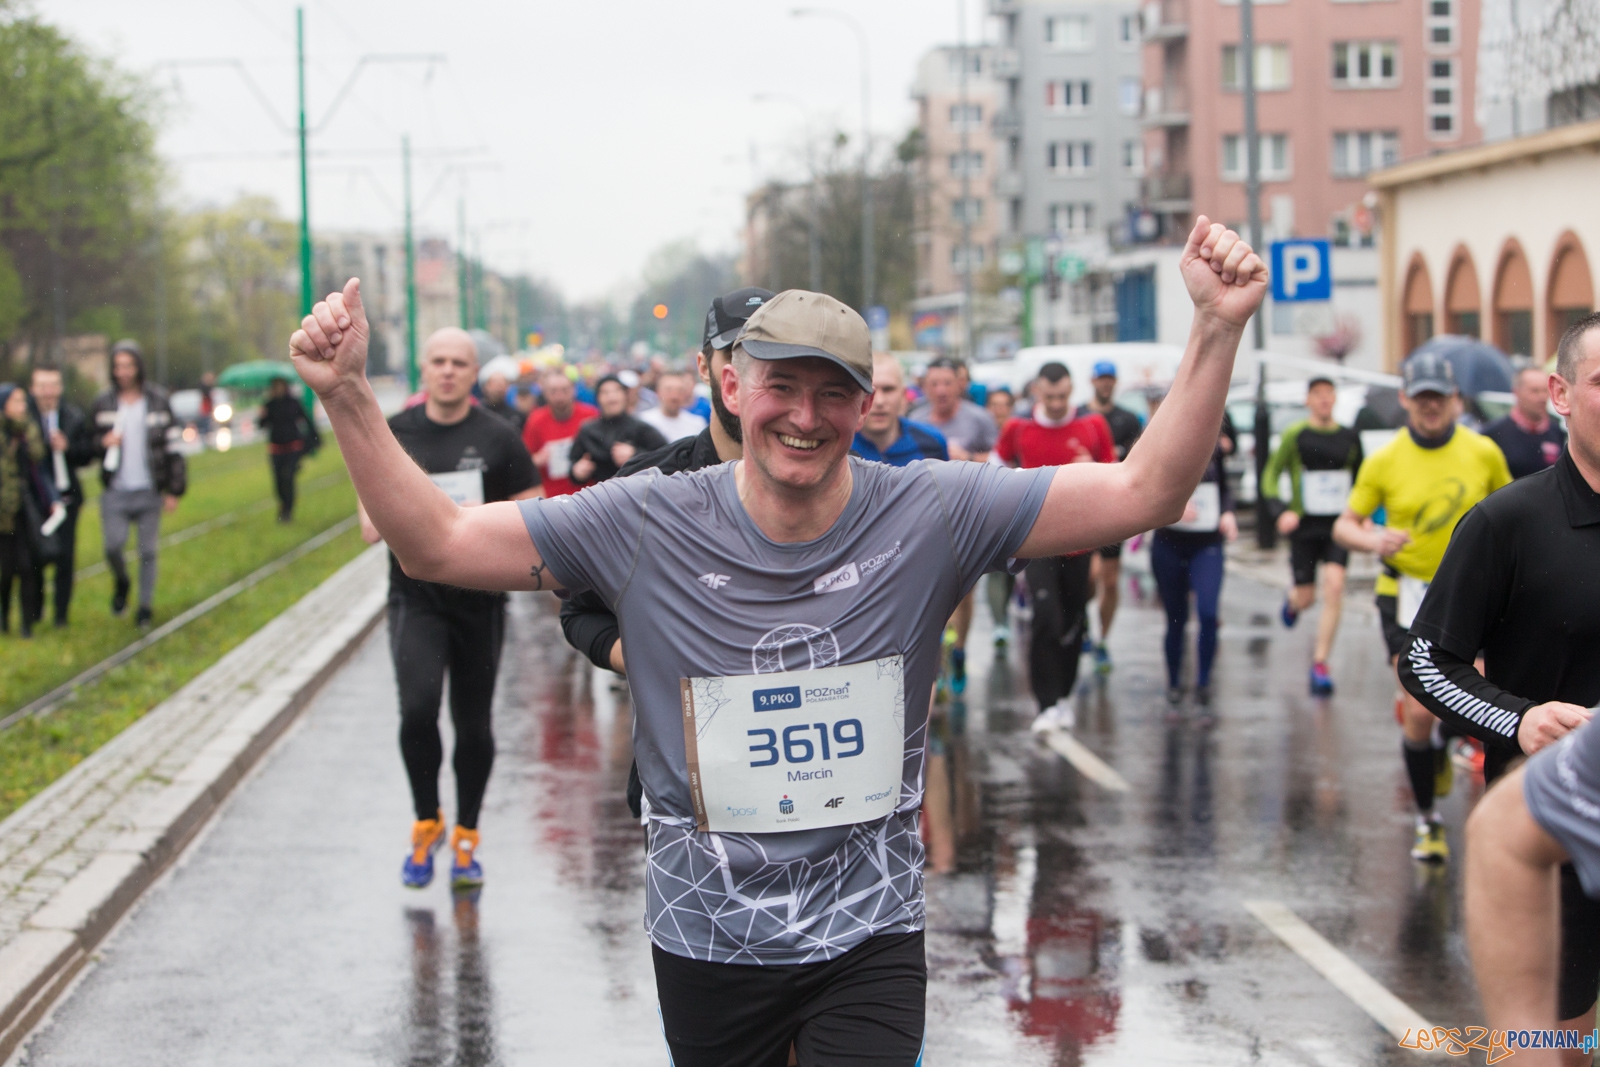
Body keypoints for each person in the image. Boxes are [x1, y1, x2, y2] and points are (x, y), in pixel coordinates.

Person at [288, 216, 1266, 1066]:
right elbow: (441, 542)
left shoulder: (931, 507)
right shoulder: (647, 518)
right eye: (781, 387)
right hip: (707, 929)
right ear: (732, 383)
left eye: (833, 392)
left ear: (865, 400)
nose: (805, 417)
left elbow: (1144, 491)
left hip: (869, 927)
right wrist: (346, 395)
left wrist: (1215, 328)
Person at [1399, 312, 1600, 1052]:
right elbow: (1425, 659)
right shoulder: (1508, 522)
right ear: (1561, 393)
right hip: (1556, 823)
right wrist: (1517, 718)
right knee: (1557, 1041)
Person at [560, 286, 772, 822]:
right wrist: (647, 661)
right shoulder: (647, 487)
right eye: (737, 359)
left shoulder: (840, 480)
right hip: (688, 791)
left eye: (772, 362)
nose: (753, 381)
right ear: (706, 367)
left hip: (818, 788)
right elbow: (580, 611)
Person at [359, 327, 541, 892]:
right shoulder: (395, 434)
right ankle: (425, 823)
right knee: (416, 710)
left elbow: (533, 517)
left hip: (478, 603)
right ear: (424, 367)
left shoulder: (500, 436)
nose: (447, 371)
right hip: (415, 599)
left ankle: (466, 837)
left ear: (473, 371)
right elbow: (369, 526)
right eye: (437, 360)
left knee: (474, 725)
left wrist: (469, 523)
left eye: (458, 362)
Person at [1332, 352, 1512, 863]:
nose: (1431, 408)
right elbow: (1347, 524)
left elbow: (1512, 517)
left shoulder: (1483, 452)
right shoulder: (1384, 459)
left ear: (1455, 400)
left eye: (1441, 398)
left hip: (1472, 597)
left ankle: (1440, 744)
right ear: (1407, 399)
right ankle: (1428, 821)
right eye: (1423, 398)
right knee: (1418, 709)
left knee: (1470, 705)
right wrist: (1374, 540)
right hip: (1406, 594)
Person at [997, 361, 1116, 732]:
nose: (1056, 403)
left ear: (1073, 390)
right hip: (1037, 540)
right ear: (1036, 392)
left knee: (1073, 621)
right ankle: (1045, 704)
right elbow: (994, 470)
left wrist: (1092, 468)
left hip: (1082, 540)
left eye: (1063, 396)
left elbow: (1115, 476)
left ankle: (1063, 697)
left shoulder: (1092, 425)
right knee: (1046, 618)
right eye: (1049, 396)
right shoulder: (1018, 427)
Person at [1262, 376, 1363, 695]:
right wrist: (1281, 511)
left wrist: (1365, 516)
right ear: (1308, 400)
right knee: (1307, 598)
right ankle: (1293, 601)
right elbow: (1270, 476)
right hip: (1304, 526)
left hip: (1338, 526)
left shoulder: (1349, 436)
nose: (1323, 399)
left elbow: (1364, 479)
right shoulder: (1296, 435)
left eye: (1328, 394)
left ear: (1335, 399)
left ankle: (1320, 663)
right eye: (1317, 394)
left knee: (1334, 586)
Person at [907, 357, 994, 693]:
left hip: (966, 518)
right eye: (934, 384)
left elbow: (1001, 461)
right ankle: (934, 658)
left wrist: (967, 460)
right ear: (924, 387)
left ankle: (957, 651)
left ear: (959, 384)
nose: (941, 390)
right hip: (923, 521)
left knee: (963, 594)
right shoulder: (913, 422)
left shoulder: (978, 419)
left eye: (947, 383)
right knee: (926, 596)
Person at [1148, 392, 1237, 713]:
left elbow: (1225, 487)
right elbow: (1142, 492)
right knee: (1176, 619)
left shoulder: (1211, 443)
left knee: (1210, 614)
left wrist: (1228, 513)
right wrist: (1169, 507)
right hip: (1169, 542)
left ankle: (1203, 682)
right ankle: (1174, 683)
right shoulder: (1155, 447)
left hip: (1208, 542)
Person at [90, 341, 186, 629]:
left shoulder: (157, 400)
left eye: (128, 365)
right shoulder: (103, 402)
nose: (123, 372)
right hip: (115, 489)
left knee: (147, 551)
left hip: (149, 488)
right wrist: (101, 442)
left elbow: (173, 447)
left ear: (138, 367)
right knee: (113, 546)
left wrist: (174, 489)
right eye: (118, 366)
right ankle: (122, 581)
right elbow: (87, 443)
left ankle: (144, 607)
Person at [1076, 360, 1144, 674]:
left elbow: (1138, 462)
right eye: (1100, 378)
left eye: (1110, 379)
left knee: (1111, 580)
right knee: (1088, 578)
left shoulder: (1128, 420)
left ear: (1115, 383)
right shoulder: (1080, 416)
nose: (1105, 384)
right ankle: (1085, 627)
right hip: (1083, 508)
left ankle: (1103, 639)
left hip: (1114, 509)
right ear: (1092, 380)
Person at [27, 365, 93, 628]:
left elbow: (87, 454)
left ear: (60, 388)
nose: (48, 392)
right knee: (36, 555)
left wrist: (68, 448)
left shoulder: (72, 416)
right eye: (42, 386)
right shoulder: (27, 419)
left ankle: (61, 616)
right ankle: (36, 609)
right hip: (38, 498)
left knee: (65, 556)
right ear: (33, 389)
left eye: (53, 385)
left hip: (67, 496)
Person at [1, 384, 48, 637]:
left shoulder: (28, 429)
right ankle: (4, 619)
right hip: (2, 512)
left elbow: (38, 456)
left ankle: (27, 624)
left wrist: (25, 434)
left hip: (26, 509)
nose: (22, 406)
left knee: (28, 566)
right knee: (5, 570)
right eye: (16, 401)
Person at [852, 354, 949, 466]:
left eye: (888, 389)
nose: (879, 401)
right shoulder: (839, 447)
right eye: (869, 390)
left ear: (903, 395)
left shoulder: (932, 442)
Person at [569, 375, 667, 485]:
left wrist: (636, 455)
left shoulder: (641, 428)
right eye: (605, 393)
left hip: (637, 494)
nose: (611, 397)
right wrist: (578, 471)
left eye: (616, 391)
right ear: (598, 398)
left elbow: (666, 458)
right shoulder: (588, 430)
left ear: (625, 396)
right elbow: (573, 466)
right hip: (601, 496)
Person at [521, 367, 598, 498]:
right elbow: (522, 462)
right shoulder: (535, 420)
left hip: (587, 495)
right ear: (545, 393)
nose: (559, 396)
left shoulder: (590, 416)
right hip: (552, 499)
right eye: (553, 391)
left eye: (564, 390)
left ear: (573, 390)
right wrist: (538, 459)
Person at [1485, 364, 1567, 479]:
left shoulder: (1557, 432)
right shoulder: (1494, 434)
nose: (1542, 397)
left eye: (1545, 390)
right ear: (1516, 392)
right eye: (1535, 391)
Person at [258, 378, 319, 523]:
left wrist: (315, 440)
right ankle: (283, 505)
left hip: (293, 447)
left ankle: (287, 512)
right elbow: (262, 425)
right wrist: (262, 415)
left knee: (288, 478)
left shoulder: (293, 402)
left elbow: (306, 420)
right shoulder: (269, 405)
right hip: (276, 449)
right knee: (278, 482)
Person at [638, 369, 708, 442]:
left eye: (679, 390)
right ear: (658, 392)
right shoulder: (644, 422)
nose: (674, 396)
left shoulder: (697, 424)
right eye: (668, 390)